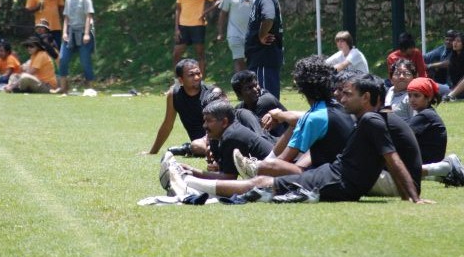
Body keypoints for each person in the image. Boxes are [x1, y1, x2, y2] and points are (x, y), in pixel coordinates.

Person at [174, 74, 429, 205]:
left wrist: (413, 198)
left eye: (348, 94)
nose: (342, 98)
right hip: (334, 174)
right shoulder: (376, 119)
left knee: (263, 183)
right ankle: (194, 182)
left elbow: (392, 158)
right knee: (265, 181)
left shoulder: (372, 120)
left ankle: (192, 184)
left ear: (366, 98)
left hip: (335, 180)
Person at [233, 55, 355, 180]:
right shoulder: (336, 108)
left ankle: (257, 168)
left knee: (270, 175)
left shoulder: (313, 118)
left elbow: (283, 159)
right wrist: (280, 115)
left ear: (301, 88)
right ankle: (260, 168)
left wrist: (264, 167)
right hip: (339, 171)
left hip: (331, 176)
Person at [164, 99, 275, 183]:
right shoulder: (229, 132)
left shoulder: (231, 136)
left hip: (278, 177)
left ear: (224, 122)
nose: (204, 125)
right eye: (204, 121)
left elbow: (228, 178)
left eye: (208, 121)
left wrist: (190, 170)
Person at [143, 58, 214, 156]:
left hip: (215, 140)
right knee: (197, 146)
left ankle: (187, 149)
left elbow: (225, 125)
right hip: (199, 144)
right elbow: (167, 125)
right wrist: (152, 152)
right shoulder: (174, 95)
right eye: (191, 75)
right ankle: (190, 148)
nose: (197, 77)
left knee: (199, 147)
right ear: (181, 80)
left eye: (198, 73)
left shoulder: (213, 93)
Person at [241, 0, 283, 100]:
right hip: (259, 59)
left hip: (264, 58)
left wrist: (261, 35)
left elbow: (269, 17)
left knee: (266, 101)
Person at [174, 0, 220, 75]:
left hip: (197, 25)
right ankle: (178, 80)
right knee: (176, 53)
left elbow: (218, 0)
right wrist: (176, 28)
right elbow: (178, 8)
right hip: (183, 25)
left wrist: (205, 12)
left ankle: (200, 82)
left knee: (200, 54)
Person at [58, 0, 95, 94]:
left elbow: (89, 16)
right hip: (70, 32)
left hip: (83, 31)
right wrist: (64, 33)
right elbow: (66, 17)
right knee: (63, 58)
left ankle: (89, 88)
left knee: (85, 60)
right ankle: (64, 88)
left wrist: (86, 34)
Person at [216, 0, 256, 71]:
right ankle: (241, 84)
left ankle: (251, 82)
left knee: (253, 59)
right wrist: (220, 33)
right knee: (239, 59)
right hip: (234, 33)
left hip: (253, 34)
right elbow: (223, 13)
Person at [231, 69, 287, 139]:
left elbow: (255, 135)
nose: (255, 89)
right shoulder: (239, 108)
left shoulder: (265, 101)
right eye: (249, 88)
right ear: (239, 94)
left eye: (256, 85)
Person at [407, 77, 447, 164]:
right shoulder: (428, 113)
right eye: (409, 95)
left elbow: (402, 135)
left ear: (429, 98)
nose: (412, 100)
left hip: (427, 162)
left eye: (416, 95)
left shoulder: (426, 115)